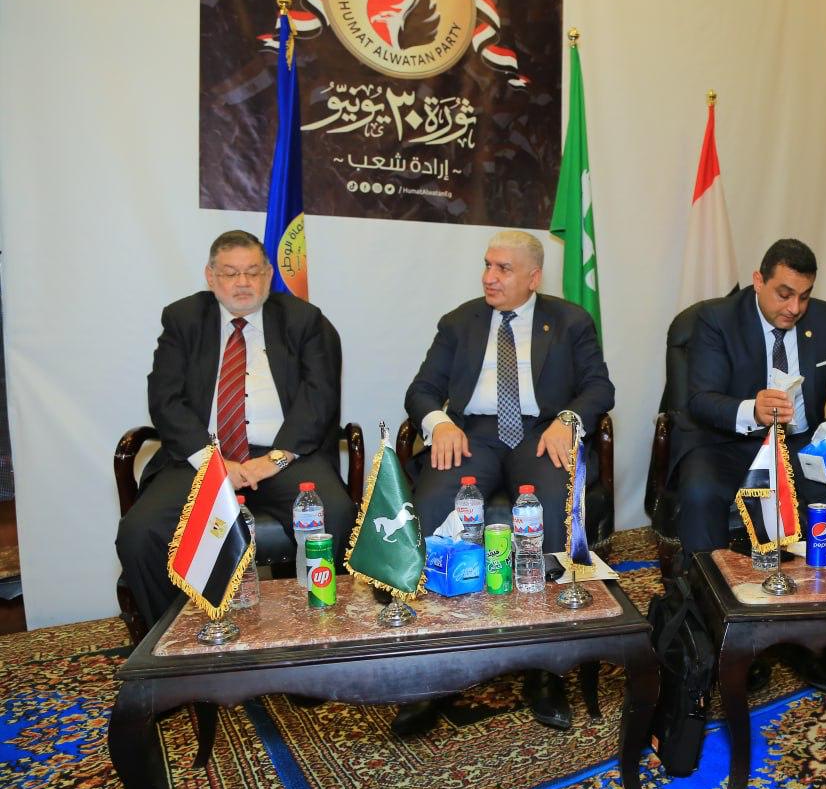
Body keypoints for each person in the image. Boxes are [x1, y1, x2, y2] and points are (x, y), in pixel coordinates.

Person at [396, 229, 615, 735]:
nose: (489, 277)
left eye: (503, 269)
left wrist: (568, 421)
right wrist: (439, 424)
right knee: (432, 504)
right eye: (487, 265)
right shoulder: (460, 322)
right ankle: (434, 669)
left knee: (554, 506)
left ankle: (545, 668)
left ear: (533, 278)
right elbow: (422, 390)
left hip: (540, 434)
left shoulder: (570, 321)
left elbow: (599, 387)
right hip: (471, 435)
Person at [116, 230, 355, 630]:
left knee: (336, 514)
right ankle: (172, 640)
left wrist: (274, 460)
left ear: (268, 275)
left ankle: (320, 632)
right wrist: (212, 462)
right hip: (201, 457)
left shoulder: (304, 320)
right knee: (141, 533)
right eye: (230, 273)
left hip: (284, 455)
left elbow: (320, 398)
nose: (242, 283)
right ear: (211, 277)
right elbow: (165, 400)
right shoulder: (183, 319)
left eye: (253, 272)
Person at [674, 238, 826, 694]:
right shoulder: (716, 319)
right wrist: (752, 408)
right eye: (784, 294)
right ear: (758, 281)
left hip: (798, 445)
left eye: (804, 296)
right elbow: (700, 399)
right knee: (701, 494)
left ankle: (813, 635)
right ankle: (716, 632)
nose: (794, 308)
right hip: (726, 443)